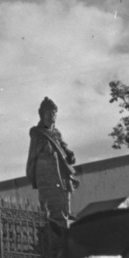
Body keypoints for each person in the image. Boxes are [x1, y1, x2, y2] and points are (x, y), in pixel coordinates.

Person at [26, 96, 78, 225]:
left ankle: (66, 213)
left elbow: (63, 146)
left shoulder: (57, 133)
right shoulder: (37, 132)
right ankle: (57, 218)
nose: (52, 116)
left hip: (60, 168)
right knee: (52, 196)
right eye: (49, 113)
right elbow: (36, 152)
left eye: (54, 113)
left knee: (65, 189)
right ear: (42, 115)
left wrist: (69, 153)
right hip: (47, 170)